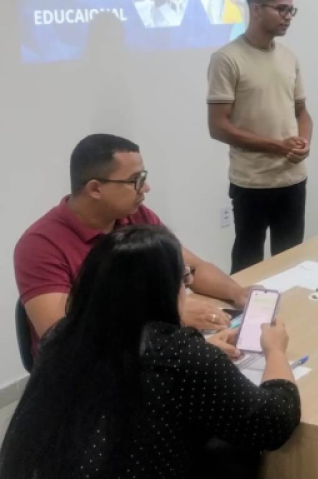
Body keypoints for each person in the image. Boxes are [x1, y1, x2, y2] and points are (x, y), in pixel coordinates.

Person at [0, 225, 301, 479]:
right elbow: (274, 422)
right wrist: (274, 351)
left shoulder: (61, 335)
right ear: (164, 288)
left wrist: (203, 353)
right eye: (185, 278)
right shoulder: (180, 356)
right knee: (235, 447)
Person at [14, 134, 249, 355]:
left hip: (143, 347)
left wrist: (237, 294)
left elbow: (193, 268)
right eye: (136, 180)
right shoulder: (40, 245)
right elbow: (60, 332)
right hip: (86, 367)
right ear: (95, 189)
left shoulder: (138, 217)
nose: (146, 188)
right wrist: (170, 315)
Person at [208, 0, 313, 274]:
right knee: (247, 264)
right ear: (256, 9)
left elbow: (303, 113)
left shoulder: (289, 57)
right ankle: (242, 319)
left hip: (292, 180)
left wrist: (304, 142)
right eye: (281, 9)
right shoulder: (227, 59)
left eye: (292, 11)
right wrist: (277, 146)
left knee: (291, 262)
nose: (288, 17)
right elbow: (218, 127)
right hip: (251, 183)